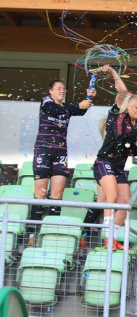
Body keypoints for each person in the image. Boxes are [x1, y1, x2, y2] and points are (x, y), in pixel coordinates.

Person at [92, 66, 137, 250]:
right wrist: (113, 72)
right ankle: (108, 238)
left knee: (125, 204)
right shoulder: (118, 115)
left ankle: (113, 238)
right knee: (112, 196)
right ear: (127, 105)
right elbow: (119, 139)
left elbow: (134, 153)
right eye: (136, 107)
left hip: (118, 166)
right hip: (104, 161)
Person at [32, 78, 95, 222]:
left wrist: (89, 97)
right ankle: (32, 229)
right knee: (40, 194)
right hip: (43, 151)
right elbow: (55, 110)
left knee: (57, 194)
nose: (62, 91)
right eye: (59, 88)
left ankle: (52, 227)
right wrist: (78, 105)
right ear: (51, 91)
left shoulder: (66, 107)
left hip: (60, 153)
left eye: (64, 89)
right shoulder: (46, 102)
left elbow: (81, 110)